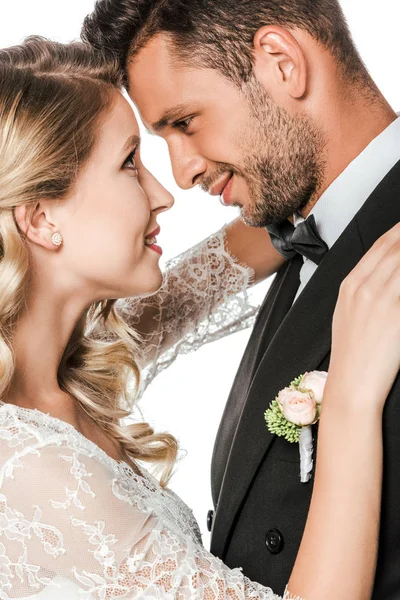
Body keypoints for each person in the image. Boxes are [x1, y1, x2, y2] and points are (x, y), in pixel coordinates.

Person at [0, 35, 399, 600]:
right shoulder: (23, 463)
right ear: (41, 220)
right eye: (129, 163)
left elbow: (225, 262)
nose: (166, 193)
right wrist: (353, 400)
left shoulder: (69, 363)